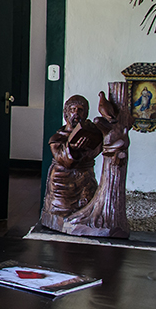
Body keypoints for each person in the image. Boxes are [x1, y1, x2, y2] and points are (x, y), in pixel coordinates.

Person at [41, 95, 104, 231]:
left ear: (85, 113)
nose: (76, 113)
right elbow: (63, 160)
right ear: (66, 113)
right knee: (61, 212)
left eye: (80, 110)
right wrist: (72, 149)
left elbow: (94, 152)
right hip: (63, 183)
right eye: (72, 109)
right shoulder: (57, 138)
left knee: (87, 210)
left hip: (85, 179)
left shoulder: (89, 135)